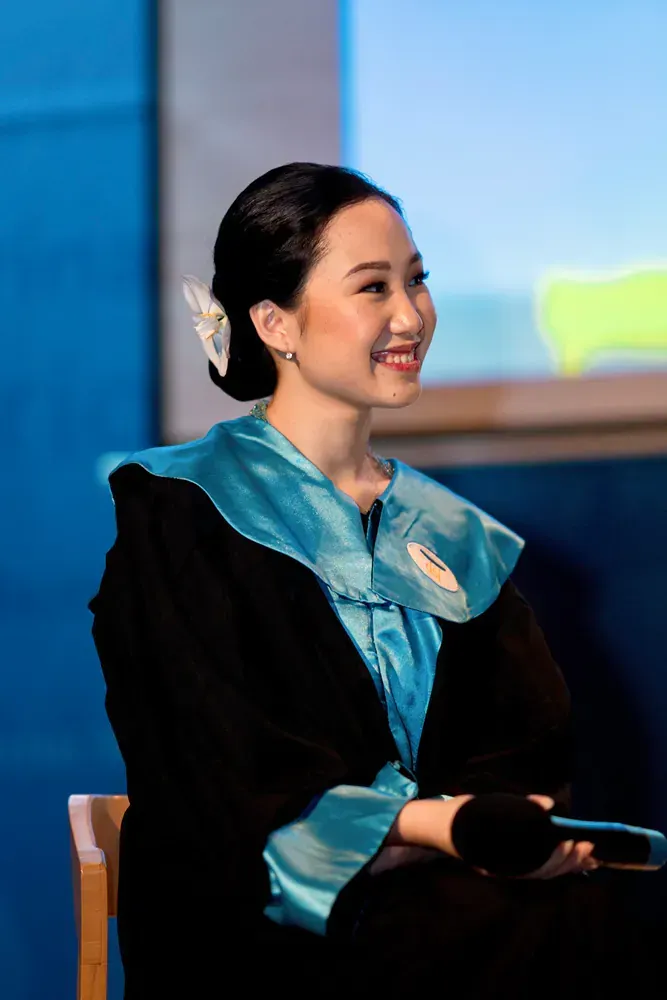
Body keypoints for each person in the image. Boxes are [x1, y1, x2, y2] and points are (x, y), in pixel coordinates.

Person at [89, 163, 656, 998]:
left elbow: (519, 743)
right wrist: (428, 825)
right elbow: (215, 769)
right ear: (274, 322)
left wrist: (501, 830)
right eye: (372, 286)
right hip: (259, 918)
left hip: (446, 899)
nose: (409, 314)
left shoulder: (455, 537)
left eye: (417, 281)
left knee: (575, 923)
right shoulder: (182, 514)